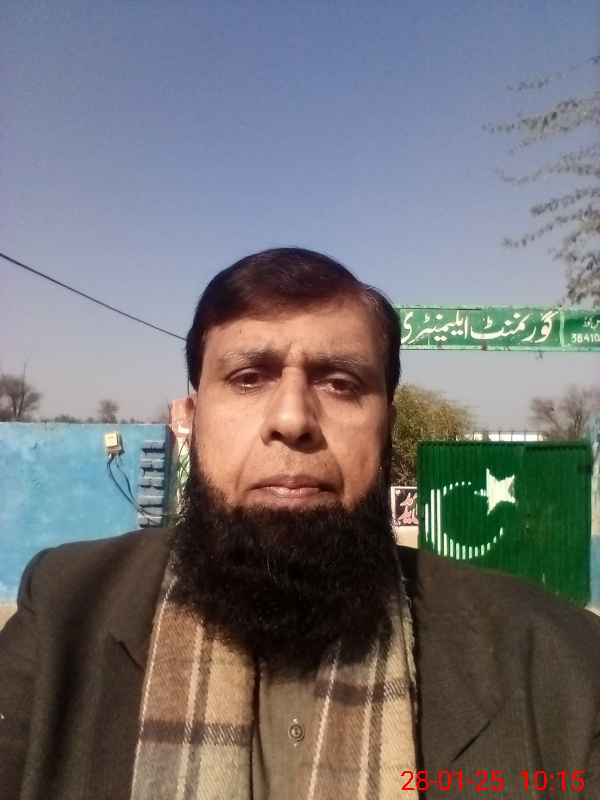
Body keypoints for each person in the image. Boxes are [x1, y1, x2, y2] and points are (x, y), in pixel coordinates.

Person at [1, 247, 599, 800]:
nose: (292, 419)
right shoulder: (65, 610)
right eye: (248, 378)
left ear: (387, 425)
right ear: (193, 418)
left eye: (341, 383)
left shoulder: (555, 666)